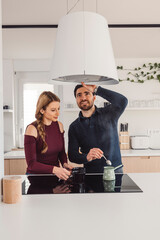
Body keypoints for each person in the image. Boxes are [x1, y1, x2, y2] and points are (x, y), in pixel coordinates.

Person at [68, 82, 128, 173]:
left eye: (87, 93)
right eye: (79, 95)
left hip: (115, 171)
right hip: (91, 173)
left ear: (94, 97)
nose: (83, 98)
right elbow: (72, 156)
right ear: (76, 99)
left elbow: (122, 101)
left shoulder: (109, 113)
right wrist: (86, 157)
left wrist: (98, 90)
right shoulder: (74, 127)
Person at [24, 91, 72, 180]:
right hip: (35, 178)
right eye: (53, 110)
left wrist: (65, 163)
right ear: (42, 110)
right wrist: (55, 169)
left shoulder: (59, 125)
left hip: (55, 176)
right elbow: (31, 165)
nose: (58, 113)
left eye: (58, 109)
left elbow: (61, 152)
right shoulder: (32, 129)